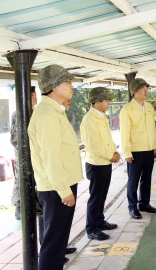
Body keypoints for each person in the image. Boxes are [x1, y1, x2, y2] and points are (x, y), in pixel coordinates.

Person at [28, 64, 82, 270]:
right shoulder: (46, 115)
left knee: (58, 242)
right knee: (53, 245)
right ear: (53, 86)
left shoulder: (53, 112)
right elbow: (51, 157)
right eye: (67, 82)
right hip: (56, 188)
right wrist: (63, 190)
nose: (71, 87)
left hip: (59, 186)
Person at [80, 87, 120, 241]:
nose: (109, 102)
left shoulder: (101, 116)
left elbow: (108, 139)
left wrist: (115, 151)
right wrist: (110, 155)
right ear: (97, 101)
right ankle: (92, 228)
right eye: (106, 99)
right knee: (96, 197)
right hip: (97, 164)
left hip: (105, 162)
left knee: (102, 195)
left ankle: (100, 221)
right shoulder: (90, 119)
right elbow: (93, 144)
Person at [120, 78, 156, 220]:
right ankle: (132, 207)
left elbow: (152, 128)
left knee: (147, 179)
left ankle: (144, 203)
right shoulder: (127, 110)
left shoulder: (149, 107)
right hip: (135, 151)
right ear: (135, 92)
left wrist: (154, 145)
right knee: (133, 181)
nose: (146, 91)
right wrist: (127, 152)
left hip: (149, 149)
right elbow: (125, 132)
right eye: (142, 89)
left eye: (147, 88)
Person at [10, 86, 37, 220]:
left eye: (35, 96)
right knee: (22, 179)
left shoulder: (36, 112)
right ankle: (20, 207)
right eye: (32, 96)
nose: (35, 99)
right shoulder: (18, 113)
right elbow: (14, 139)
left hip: (35, 153)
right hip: (24, 154)